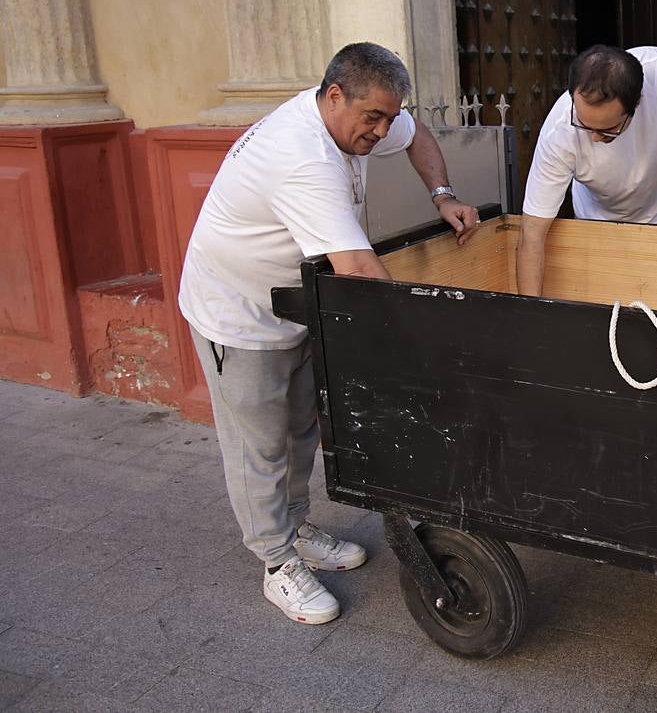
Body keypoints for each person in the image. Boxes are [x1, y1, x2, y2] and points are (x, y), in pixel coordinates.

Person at [178, 42, 479, 624]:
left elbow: (416, 136)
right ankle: (275, 562)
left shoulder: (364, 117)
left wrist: (442, 195)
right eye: (373, 118)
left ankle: (294, 527)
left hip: (293, 303)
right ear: (333, 95)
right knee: (258, 445)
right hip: (236, 314)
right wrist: (431, 345)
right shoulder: (303, 157)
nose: (382, 130)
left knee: (299, 428)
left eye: (389, 116)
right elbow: (359, 270)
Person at [517, 45, 657, 295]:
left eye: (607, 130)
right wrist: (531, 320)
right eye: (583, 124)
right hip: (599, 226)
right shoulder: (558, 132)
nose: (593, 138)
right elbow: (532, 234)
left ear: (637, 102)